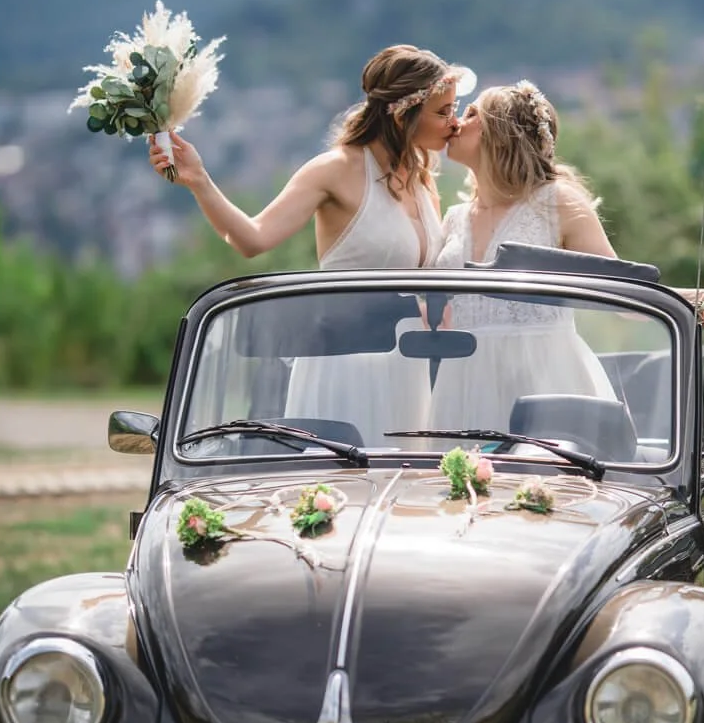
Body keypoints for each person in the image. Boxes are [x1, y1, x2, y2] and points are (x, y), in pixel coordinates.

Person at [151, 46, 476, 446]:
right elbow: (253, 238)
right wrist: (199, 180)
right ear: (403, 112)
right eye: (443, 111)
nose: (454, 121)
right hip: (343, 363)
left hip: (407, 366)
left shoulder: (423, 177)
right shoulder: (334, 169)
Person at [429, 80, 704, 434]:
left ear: (500, 131)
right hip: (463, 382)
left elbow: (622, 293)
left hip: (543, 380)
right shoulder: (453, 217)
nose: (455, 122)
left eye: (471, 114)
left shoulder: (557, 203)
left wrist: (695, 301)